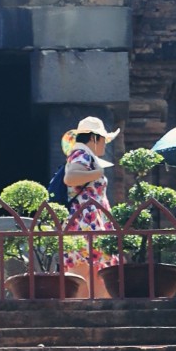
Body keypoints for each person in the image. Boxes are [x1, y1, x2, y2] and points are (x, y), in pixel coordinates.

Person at [62, 115, 119, 292]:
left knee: (97, 274)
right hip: (84, 224)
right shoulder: (82, 154)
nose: (105, 144)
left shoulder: (83, 154)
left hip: (89, 223)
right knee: (82, 274)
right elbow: (70, 178)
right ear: (94, 138)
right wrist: (98, 173)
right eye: (103, 140)